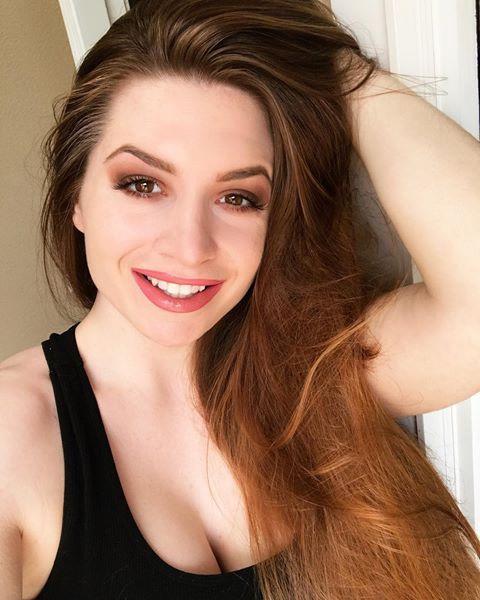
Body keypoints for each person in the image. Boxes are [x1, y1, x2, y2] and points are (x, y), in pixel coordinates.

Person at [1, 0, 480, 598]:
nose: (190, 248)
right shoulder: (12, 436)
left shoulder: (310, 369)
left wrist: (330, 69)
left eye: (238, 198)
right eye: (143, 184)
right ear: (76, 197)